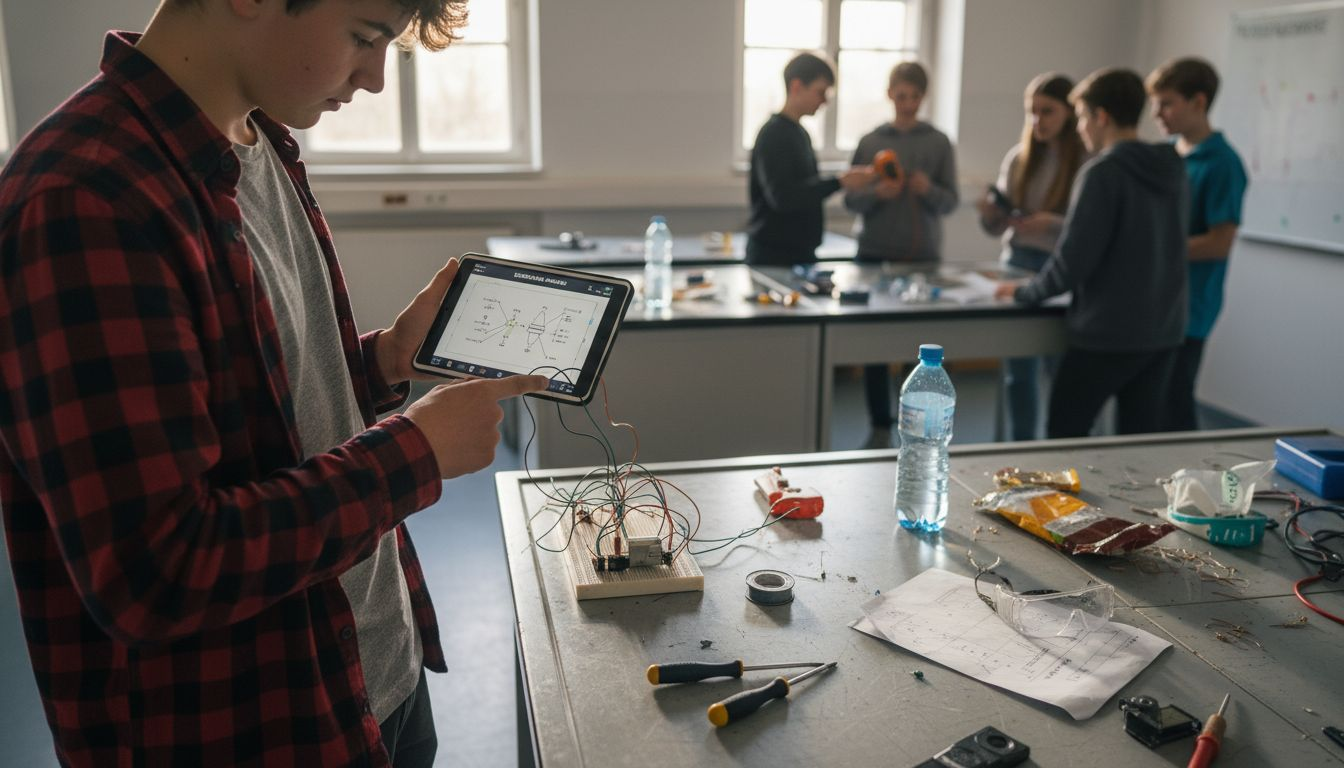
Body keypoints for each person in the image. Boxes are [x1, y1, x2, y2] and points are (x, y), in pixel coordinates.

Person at [0, 1, 550, 766]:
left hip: (365, 671)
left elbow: (260, 413)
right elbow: (157, 572)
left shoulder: (257, 144)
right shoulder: (87, 198)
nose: (375, 78)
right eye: (364, 38)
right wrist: (412, 455)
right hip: (252, 724)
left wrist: (384, 360)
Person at [994, 68, 1189, 438]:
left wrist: (1024, 291)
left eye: (1082, 117)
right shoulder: (1173, 166)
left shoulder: (1102, 172)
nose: (1081, 128)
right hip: (1163, 330)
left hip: (1108, 332)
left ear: (1101, 117)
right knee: (1138, 441)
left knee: (1065, 436)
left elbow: (1072, 262)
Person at [843, 61, 958, 448]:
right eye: (901, 95)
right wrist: (878, 194)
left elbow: (951, 201)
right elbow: (850, 198)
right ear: (890, 94)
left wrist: (928, 190)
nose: (907, 104)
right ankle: (878, 422)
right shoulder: (871, 141)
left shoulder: (939, 143)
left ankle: (917, 418)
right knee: (874, 342)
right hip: (873, 254)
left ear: (923, 97)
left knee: (918, 343)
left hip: (921, 256)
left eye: (914, 96)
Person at [977, 73, 1086, 441]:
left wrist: (1048, 224)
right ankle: (1020, 447)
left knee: (1059, 368)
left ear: (1070, 113)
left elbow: (1088, 228)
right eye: (1032, 112)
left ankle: (1057, 447)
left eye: (1047, 112)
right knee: (1017, 371)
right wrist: (992, 214)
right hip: (1017, 262)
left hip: (1060, 269)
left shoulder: (1085, 161)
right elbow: (996, 226)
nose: (1038, 120)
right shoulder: (1018, 158)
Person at [1146, 57, 1249, 432]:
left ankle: (1191, 484)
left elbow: (1219, 244)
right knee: (1149, 401)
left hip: (1192, 306)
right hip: (1158, 300)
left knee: (1173, 401)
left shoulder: (1223, 163)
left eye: (1167, 103)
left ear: (1199, 102)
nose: (1158, 114)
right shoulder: (1167, 155)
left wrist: (1155, 249)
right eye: (1155, 104)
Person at [746, 51, 875, 266]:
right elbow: (784, 197)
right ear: (796, 87)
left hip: (799, 254)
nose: (824, 101)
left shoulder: (799, 133)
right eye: (820, 92)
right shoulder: (774, 134)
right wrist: (839, 182)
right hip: (775, 257)